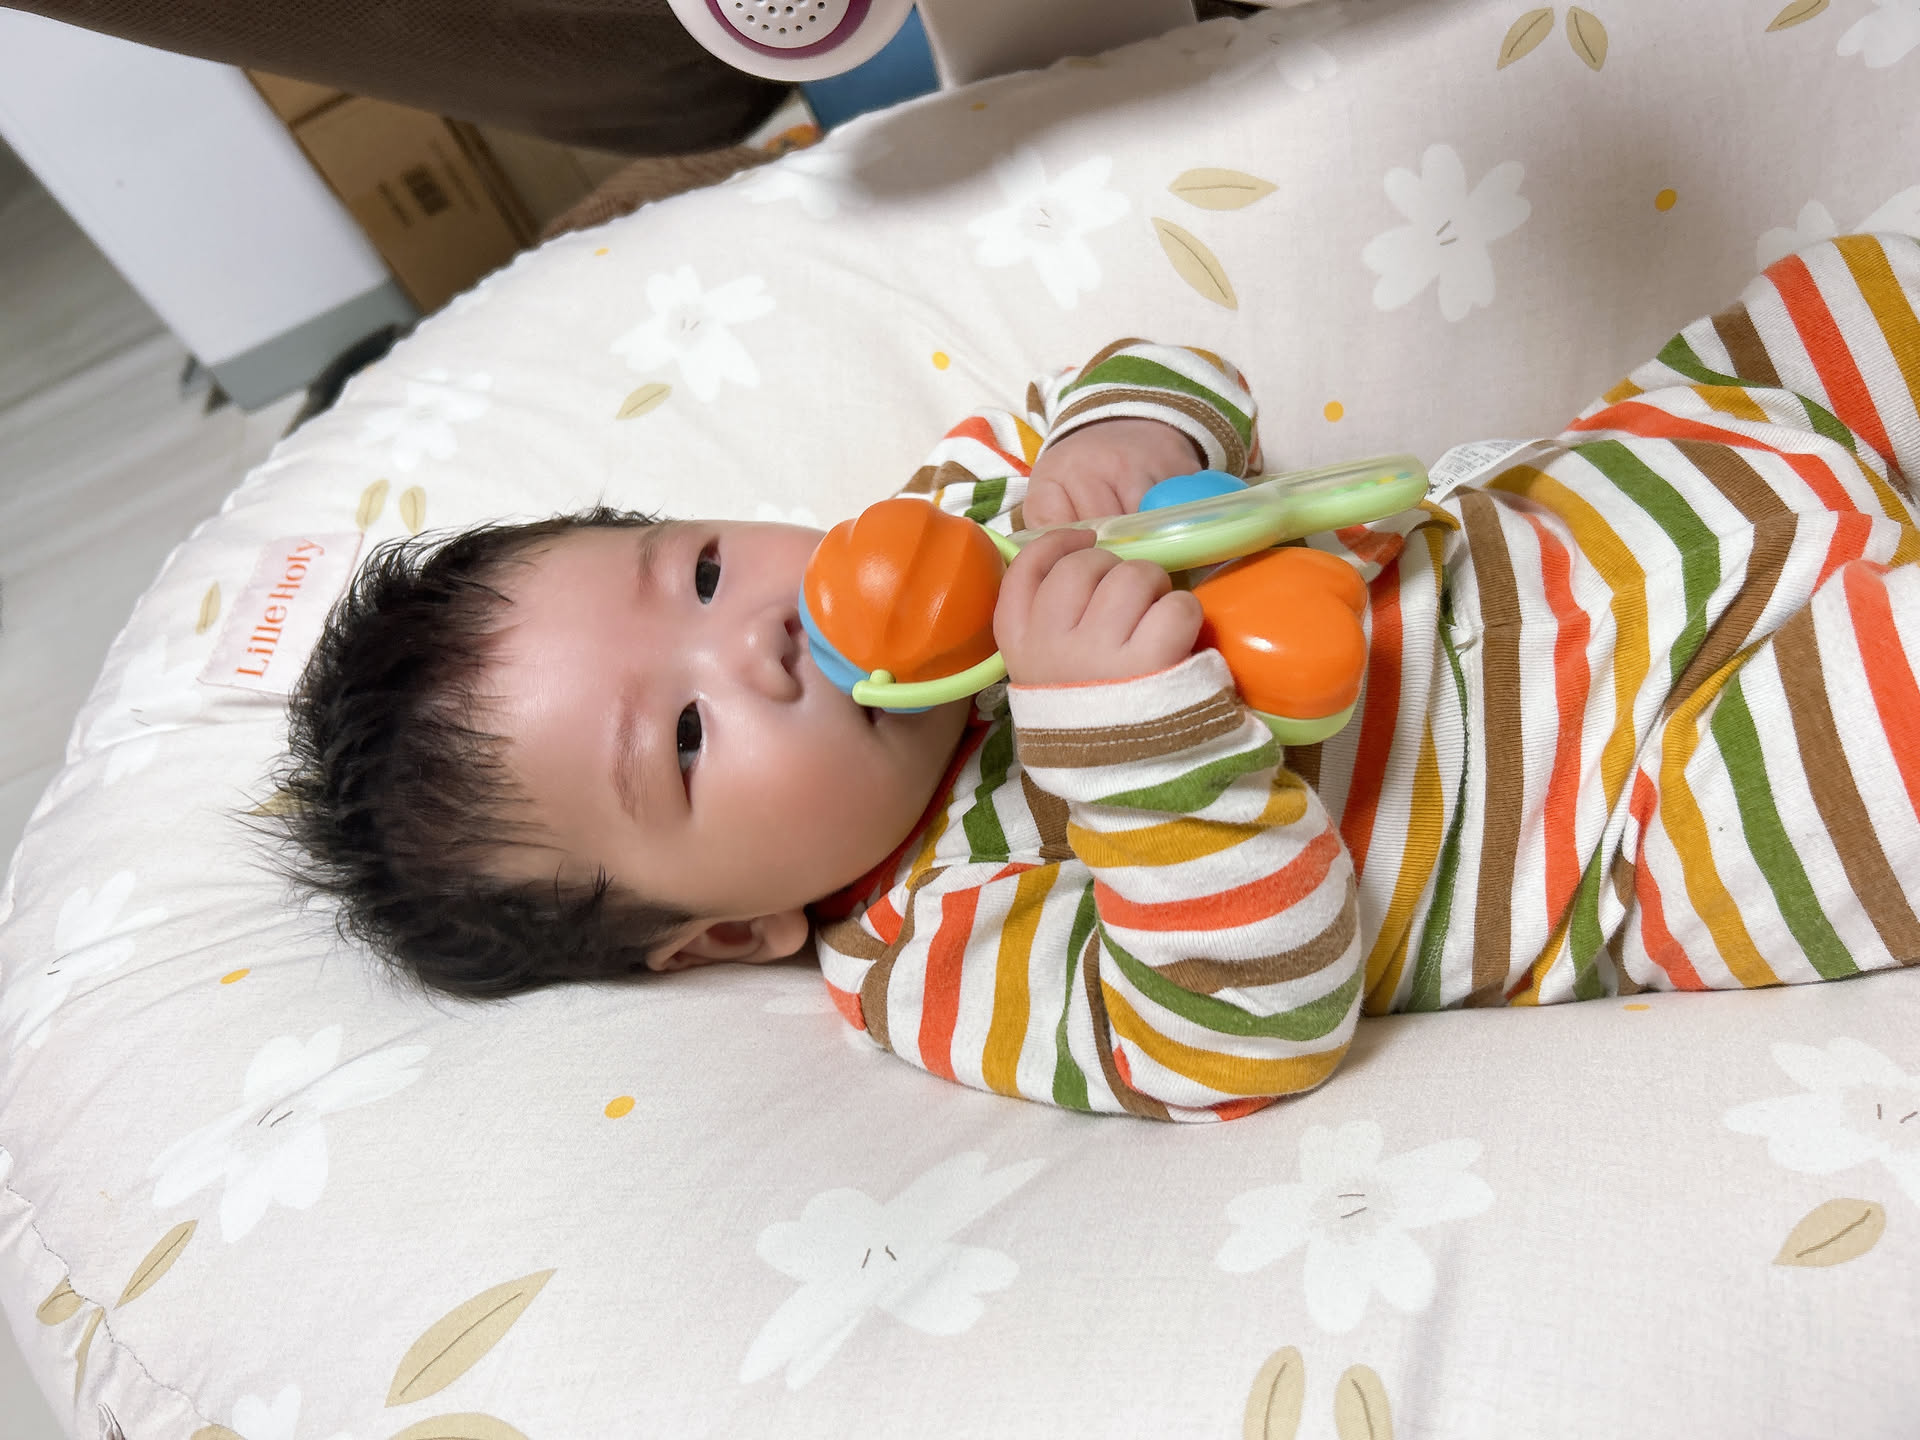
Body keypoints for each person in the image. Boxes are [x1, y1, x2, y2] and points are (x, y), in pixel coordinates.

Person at [278, 233, 1920, 1121]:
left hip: (1631, 483)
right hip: (1663, 787)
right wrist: (1124, 740)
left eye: (701, 572)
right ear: (727, 932)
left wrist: (1121, 437)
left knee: (1852, 299)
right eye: (689, 739)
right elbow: (1238, 1035)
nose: (751, 636)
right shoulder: (933, 948)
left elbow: (1156, 365)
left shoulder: (964, 511)